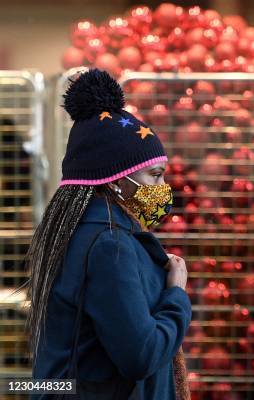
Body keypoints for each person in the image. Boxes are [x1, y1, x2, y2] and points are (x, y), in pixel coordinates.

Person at [25, 69, 192, 399]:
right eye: (155, 176)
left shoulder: (84, 231)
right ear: (117, 180)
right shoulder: (109, 244)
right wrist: (176, 296)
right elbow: (139, 355)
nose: (162, 189)